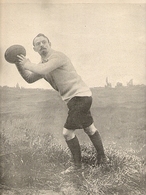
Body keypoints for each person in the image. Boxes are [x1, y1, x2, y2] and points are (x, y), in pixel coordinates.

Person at [16, 33, 106, 174]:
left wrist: (27, 63)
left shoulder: (57, 57)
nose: (41, 45)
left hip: (80, 97)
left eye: (44, 42)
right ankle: (103, 159)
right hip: (76, 99)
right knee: (89, 128)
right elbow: (29, 78)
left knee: (67, 133)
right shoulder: (42, 64)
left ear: (49, 43)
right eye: (38, 44)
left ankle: (77, 167)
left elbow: (42, 70)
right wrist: (18, 63)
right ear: (34, 49)